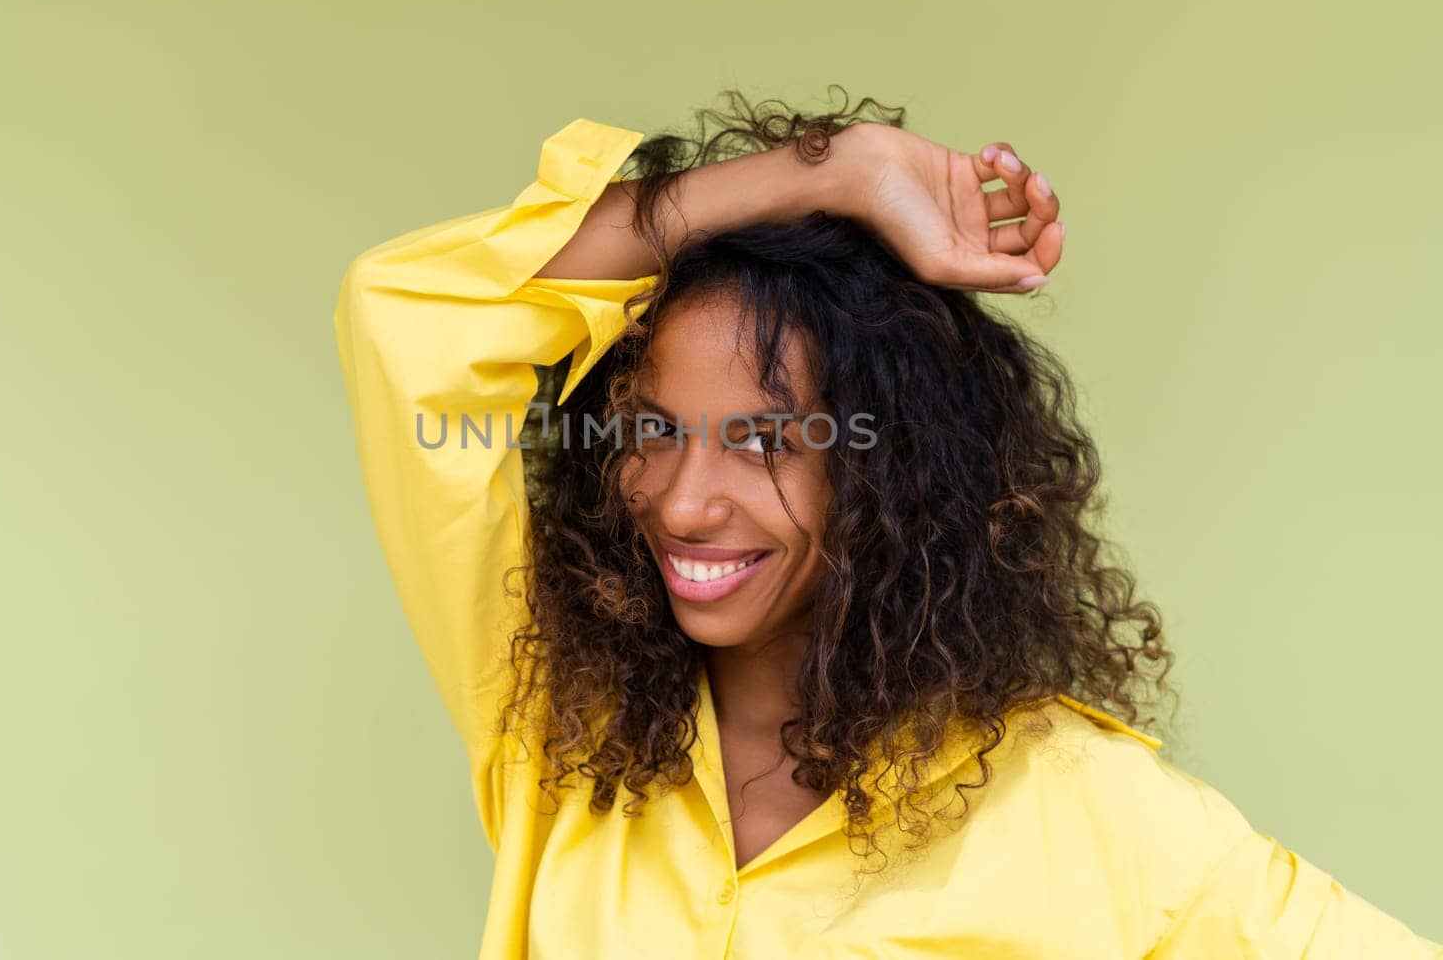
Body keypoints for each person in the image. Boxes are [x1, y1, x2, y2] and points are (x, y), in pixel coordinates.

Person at [332, 90, 1441, 958]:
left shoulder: (1082, 809)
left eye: (766, 441)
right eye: (656, 427)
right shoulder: (562, 718)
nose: (681, 499)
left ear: (892, 469)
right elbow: (407, 313)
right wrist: (832, 170)